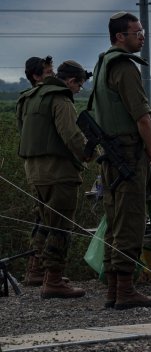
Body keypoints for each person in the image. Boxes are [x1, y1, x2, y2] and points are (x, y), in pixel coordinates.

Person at [91, 11, 151, 309]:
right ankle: (126, 290)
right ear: (121, 36)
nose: (142, 36)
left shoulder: (102, 63)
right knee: (130, 222)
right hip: (129, 155)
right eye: (137, 31)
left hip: (109, 157)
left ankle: (113, 291)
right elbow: (143, 118)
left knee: (115, 221)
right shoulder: (125, 67)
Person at [16, 61, 92, 298]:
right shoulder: (61, 99)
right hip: (59, 171)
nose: (79, 89)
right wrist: (91, 156)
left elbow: (23, 131)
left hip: (33, 171)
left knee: (43, 221)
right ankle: (54, 280)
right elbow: (71, 135)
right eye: (79, 84)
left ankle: (36, 270)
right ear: (70, 81)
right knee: (60, 226)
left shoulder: (29, 96)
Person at [19, 55, 55, 286]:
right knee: (49, 219)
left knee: (41, 218)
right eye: (48, 73)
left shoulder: (24, 100)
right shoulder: (46, 99)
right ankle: (43, 271)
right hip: (47, 167)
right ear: (36, 76)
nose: (53, 77)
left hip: (32, 166)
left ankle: (35, 269)